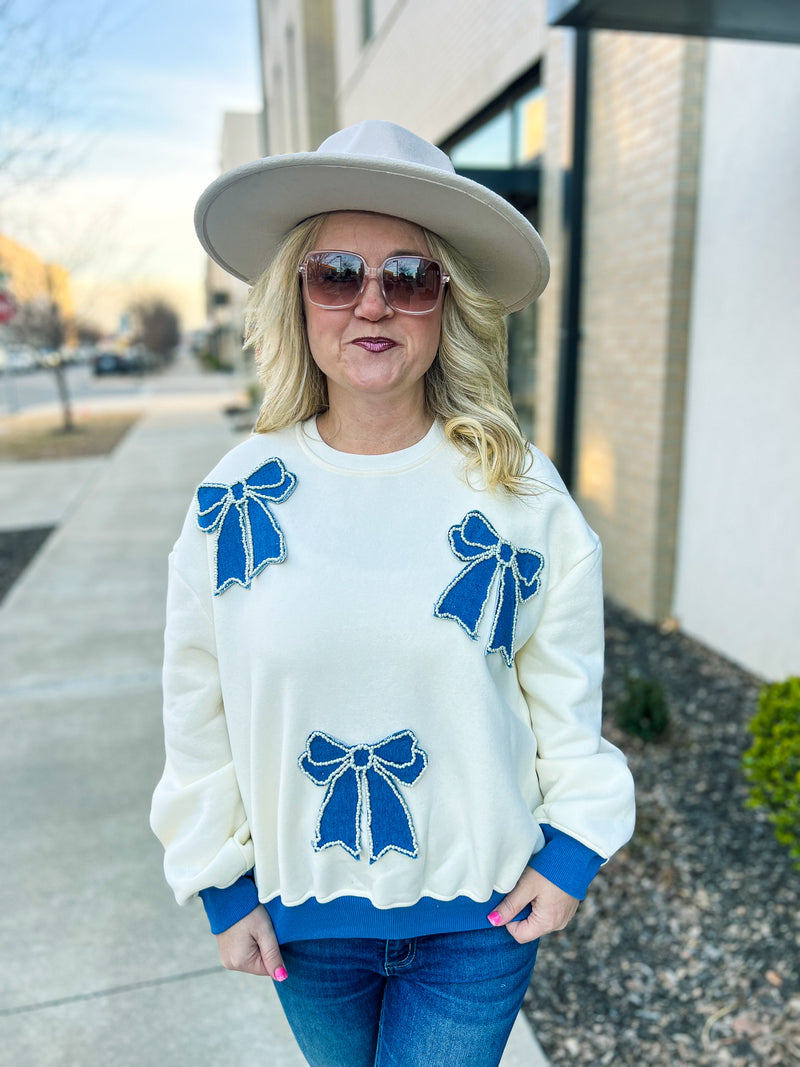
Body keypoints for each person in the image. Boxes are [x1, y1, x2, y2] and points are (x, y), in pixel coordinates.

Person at [150, 120, 635, 1067]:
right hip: (302, 926)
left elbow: (565, 698)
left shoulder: (521, 499)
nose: (372, 304)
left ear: (445, 305)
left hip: (480, 923)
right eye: (338, 273)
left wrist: (573, 850)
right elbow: (194, 706)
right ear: (299, 297)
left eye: (407, 277)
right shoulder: (233, 502)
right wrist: (222, 884)